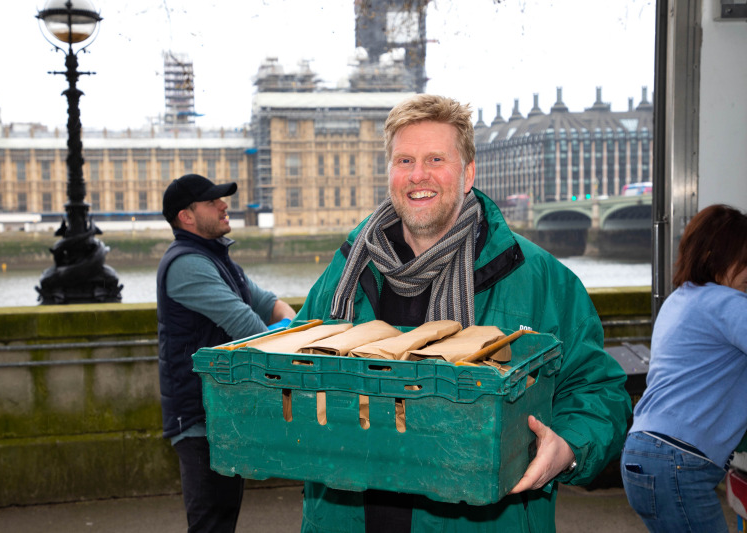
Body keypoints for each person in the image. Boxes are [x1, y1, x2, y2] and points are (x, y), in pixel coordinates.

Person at [294, 94, 632, 532]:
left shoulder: (541, 279)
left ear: (468, 172)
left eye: (436, 158)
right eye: (404, 160)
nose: (418, 175)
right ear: (390, 173)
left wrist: (567, 447)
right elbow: (295, 367)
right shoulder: (345, 272)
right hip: (347, 517)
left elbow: (599, 391)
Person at [156, 173, 296, 533]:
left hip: (220, 411)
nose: (224, 205)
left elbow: (266, 303)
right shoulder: (187, 264)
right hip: (198, 416)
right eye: (212, 201)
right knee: (210, 522)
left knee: (222, 518)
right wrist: (291, 345)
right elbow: (248, 328)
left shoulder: (216, 258)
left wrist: (293, 326)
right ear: (186, 216)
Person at [620, 204, 747, 533]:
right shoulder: (725, 302)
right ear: (713, 256)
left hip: (644, 450)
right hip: (678, 459)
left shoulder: (680, 300)